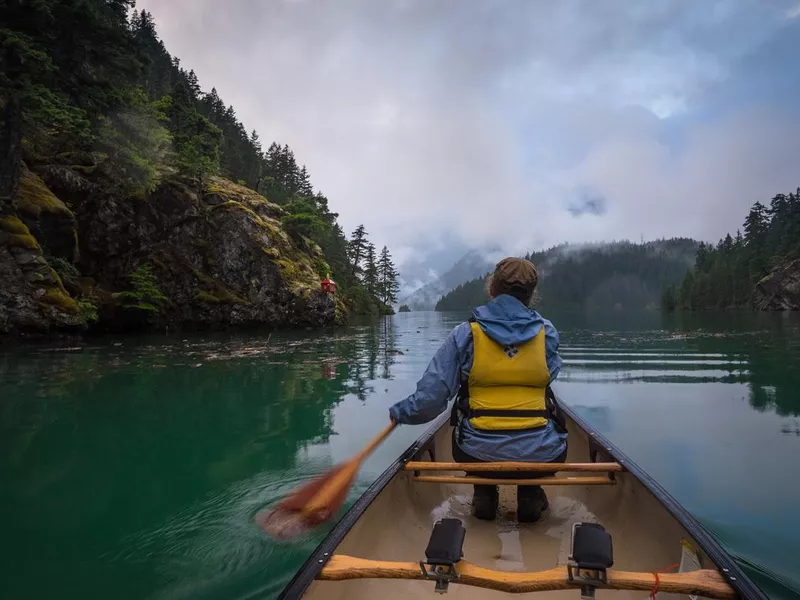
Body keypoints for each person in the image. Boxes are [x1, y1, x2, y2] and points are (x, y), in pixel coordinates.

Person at [389, 257, 566, 522]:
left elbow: (431, 401)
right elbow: (547, 377)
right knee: (542, 429)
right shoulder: (548, 333)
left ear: (492, 289)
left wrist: (402, 413)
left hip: (476, 452)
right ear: (531, 295)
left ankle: (484, 493)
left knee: (472, 432)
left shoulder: (465, 334)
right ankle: (529, 493)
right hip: (543, 452)